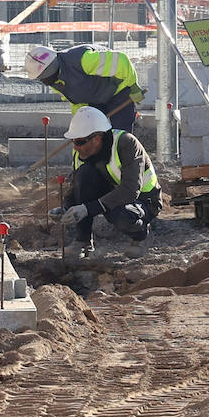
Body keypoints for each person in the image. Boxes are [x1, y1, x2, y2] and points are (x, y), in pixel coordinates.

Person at [54, 106, 161, 258]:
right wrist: (65, 208)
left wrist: (87, 209)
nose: (75, 147)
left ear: (97, 139)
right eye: (73, 141)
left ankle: (141, 237)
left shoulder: (126, 144)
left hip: (145, 200)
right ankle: (83, 240)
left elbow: (130, 190)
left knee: (120, 215)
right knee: (84, 174)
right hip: (113, 194)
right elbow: (77, 189)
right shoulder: (82, 153)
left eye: (79, 142)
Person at [24, 44, 144, 131]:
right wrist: (81, 122)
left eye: (43, 77)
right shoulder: (55, 82)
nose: (43, 82)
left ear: (50, 70)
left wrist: (132, 86)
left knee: (120, 134)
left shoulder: (82, 59)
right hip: (95, 100)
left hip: (118, 92)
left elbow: (121, 62)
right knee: (94, 137)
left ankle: (123, 163)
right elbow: (76, 100)